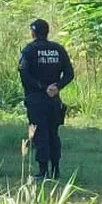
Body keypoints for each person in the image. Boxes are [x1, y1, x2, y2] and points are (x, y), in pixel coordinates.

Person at [19, 18, 74, 180]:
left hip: (36, 99)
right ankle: (56, 169)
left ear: (33, 32)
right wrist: (57, 86)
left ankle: (43, 171)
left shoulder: (29, 50)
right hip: (54, 100)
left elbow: (24, 74)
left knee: (40, 134)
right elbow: (69, 73)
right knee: (53, 134)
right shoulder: (58, 49)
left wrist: (42, 87)